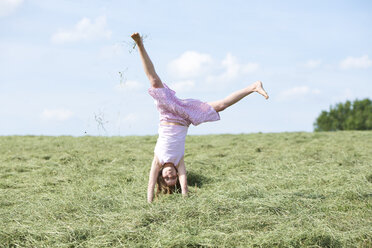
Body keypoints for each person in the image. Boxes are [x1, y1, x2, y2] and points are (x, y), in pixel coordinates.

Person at [131, 33, 269, 203]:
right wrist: (185, 197)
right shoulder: (178, 161)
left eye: (167, 178)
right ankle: (253, 87)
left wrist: (149, 204)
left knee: (153, 81)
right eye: (173, 178)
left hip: (167, 113)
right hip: (186, 117)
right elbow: (185, 182)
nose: (171, 175)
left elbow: (150, 184)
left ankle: (139, 45)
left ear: (161, 175)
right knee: (221, 106)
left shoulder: (157, 161)